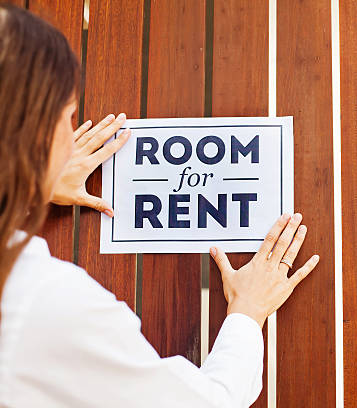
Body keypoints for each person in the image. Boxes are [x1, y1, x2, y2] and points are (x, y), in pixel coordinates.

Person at [0, 5, 319, 407]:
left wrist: (32, 185)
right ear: (31, 135)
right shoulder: (44, 300)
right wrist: (248, 312)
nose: (70, 140)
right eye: (67, 119)